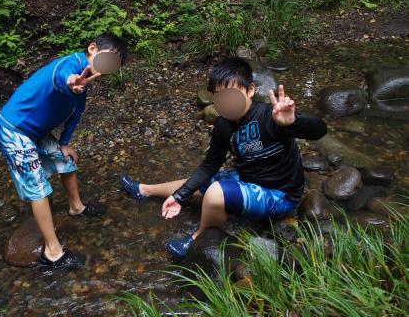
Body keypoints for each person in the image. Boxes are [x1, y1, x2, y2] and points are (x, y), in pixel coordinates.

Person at [121, 56, 327, 259]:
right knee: (204, 180)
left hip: (281, 195)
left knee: (216, 192)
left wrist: (292, 123)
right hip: (248, 178)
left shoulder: (270, 116)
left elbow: (319, 130)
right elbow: (209, 165)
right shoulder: (223, 125)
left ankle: (199, 237)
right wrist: (180, 196)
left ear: (251, 90)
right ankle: (145, 190)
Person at [0, 33, 127, 269]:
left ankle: (76, 207)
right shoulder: (70, 65)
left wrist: (65, 143)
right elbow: (64, 78)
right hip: (14, 129)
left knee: (66, 160)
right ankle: (52, 252)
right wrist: (72, 84)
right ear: (92, 48)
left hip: (36, 131)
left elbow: (74, 117)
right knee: (37, 186)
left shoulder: (84, 89)